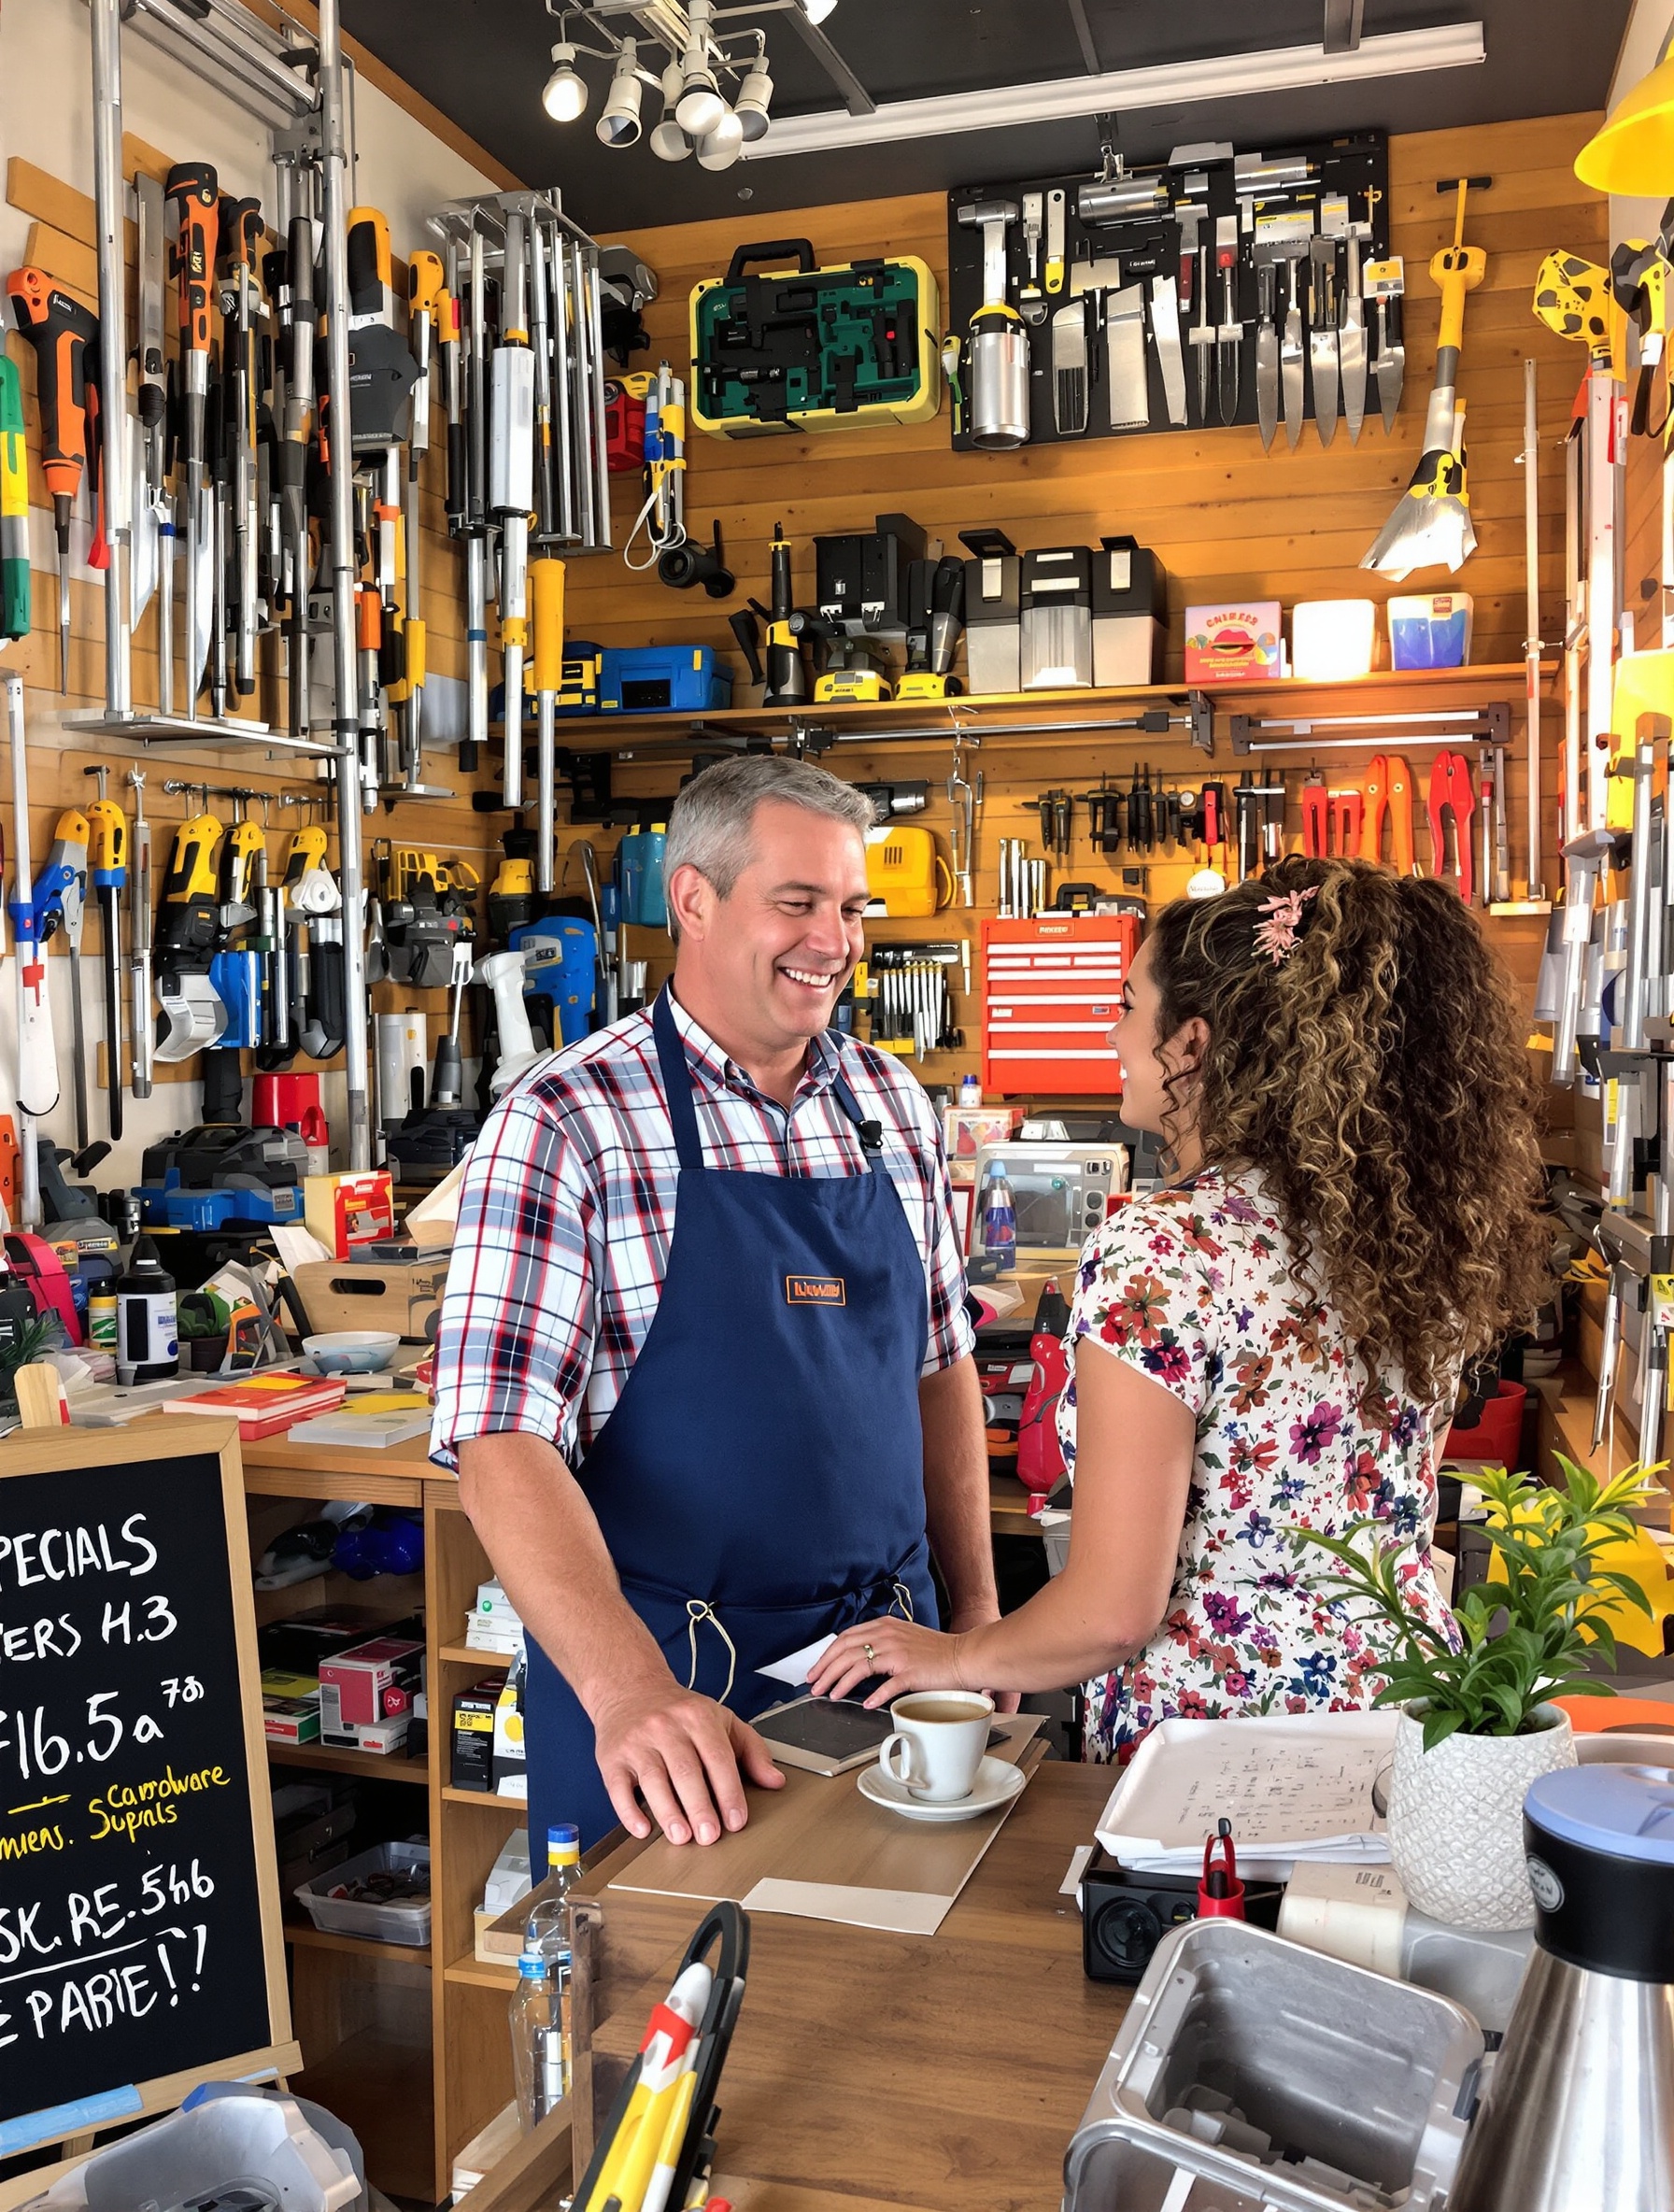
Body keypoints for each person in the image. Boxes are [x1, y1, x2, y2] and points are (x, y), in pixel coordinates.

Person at [812, 857, 1552, 1760]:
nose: (1115, 1035)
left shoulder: (1164, 1251)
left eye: (1127, 1006)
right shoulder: (1405, 1236)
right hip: (1408, 1715)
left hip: (1220, 1757)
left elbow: (1113, 1613)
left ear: (1192, 1044)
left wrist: (958, 1655)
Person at [432, 756, 1000, 1847]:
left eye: (849, 907)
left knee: (901, 1999)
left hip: (895, 1677)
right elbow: (499, 1439)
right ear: (693, 898)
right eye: (796, 903)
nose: (833, 940)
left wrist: (974, 1621)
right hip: (679, 1701)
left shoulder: (888, 1102)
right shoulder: (568, 1120)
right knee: (668, 2000)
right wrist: (626, 1691)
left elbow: (939, 1369)